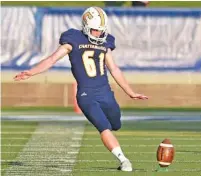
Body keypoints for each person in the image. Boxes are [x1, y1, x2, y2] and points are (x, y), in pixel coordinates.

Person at [14, 7, 148, 172]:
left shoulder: (106, 43)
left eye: (101, 31)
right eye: (95, 30)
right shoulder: (73, 39)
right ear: (85, 26)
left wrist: (130, 92)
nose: (98, 34)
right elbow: (52, 59)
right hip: (86, 95)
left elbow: (114, 69)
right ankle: (123, 160)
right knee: (103, 127)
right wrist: (32, 72)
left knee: (115, 124)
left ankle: (114, 140)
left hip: (106, 93)